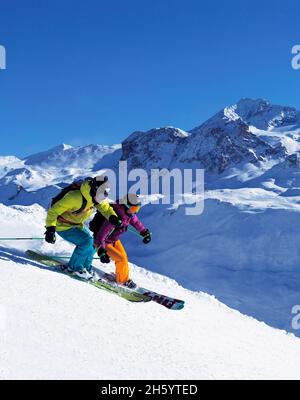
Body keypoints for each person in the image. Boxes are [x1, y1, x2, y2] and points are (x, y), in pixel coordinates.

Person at [44, 175, 121, 280]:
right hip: (62, 225)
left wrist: (113, 217)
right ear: (94, 191)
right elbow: (53, 211)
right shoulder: (74, 197)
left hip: (76, 225)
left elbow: (105, 208)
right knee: (86, 242)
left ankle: (86, 268)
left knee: (92, 244)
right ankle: (73, 268)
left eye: (104, 196)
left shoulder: (95, 198)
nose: (101, 199)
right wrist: (50, 229)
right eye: (100, 196)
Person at [90, 193, 151, 288]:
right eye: (133, 209)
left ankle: (122, 278)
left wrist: (144, 232)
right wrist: (101, 251)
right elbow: (101, 235)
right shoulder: (114, 217)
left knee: (124, 258)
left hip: (114, 240)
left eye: (136, 210)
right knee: (121, 259)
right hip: (103, 242)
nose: (134, 212)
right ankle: (122, 281)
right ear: (126, 206)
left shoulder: (128, 214)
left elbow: (135, 222)